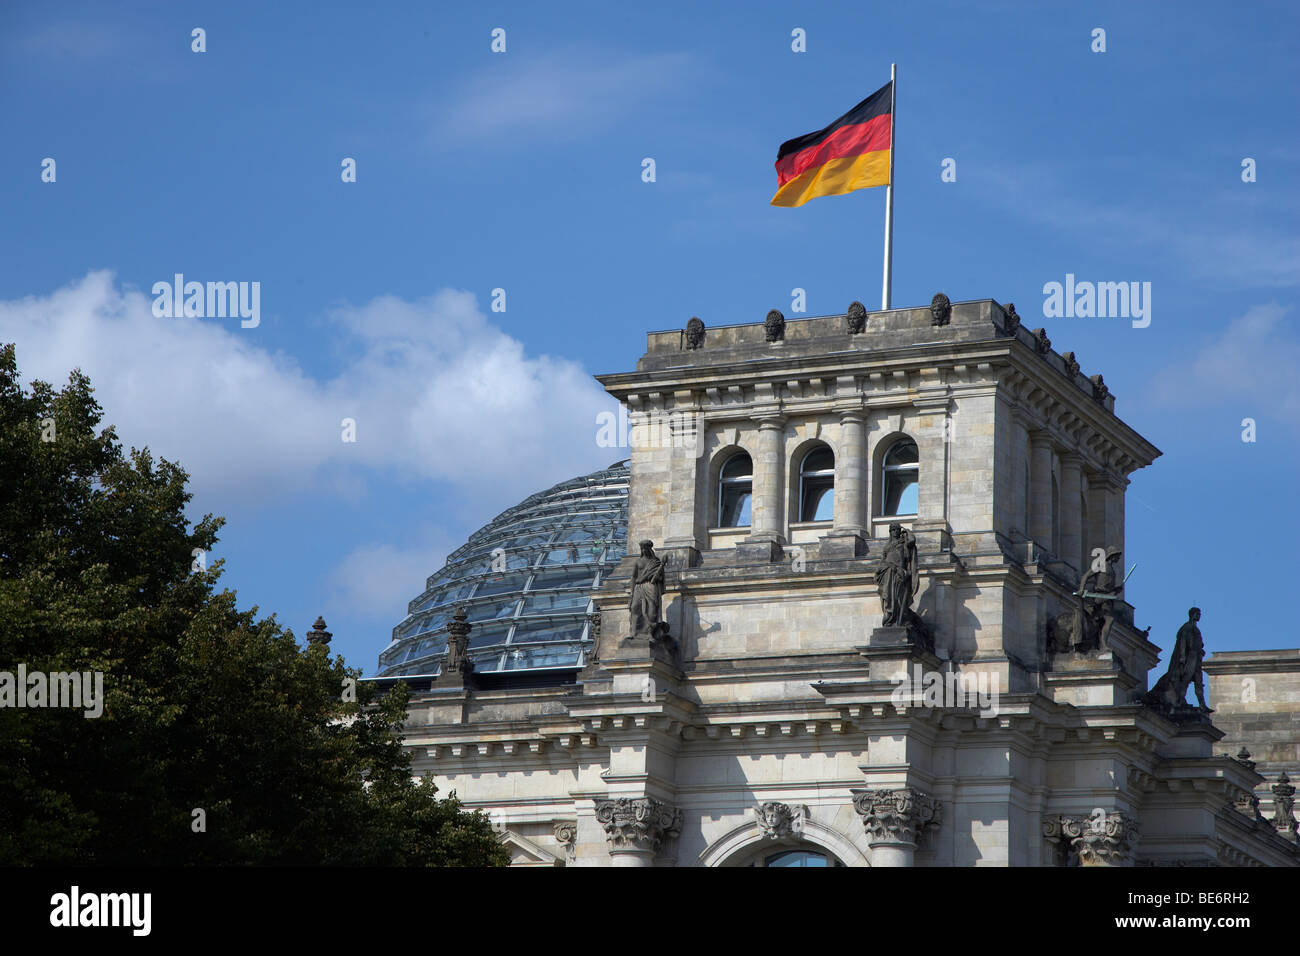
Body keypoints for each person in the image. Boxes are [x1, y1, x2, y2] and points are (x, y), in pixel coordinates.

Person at [875, 523, 918, 627]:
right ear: (890, 532)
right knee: (888, 596)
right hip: (888, 573)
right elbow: (883, 560)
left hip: (899, 573)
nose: (895, 531)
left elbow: (912, 540)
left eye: (897, 529)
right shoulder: (887, 546)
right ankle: (889, 618)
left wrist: (906, 530)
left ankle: (899, 617)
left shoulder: (903, 542)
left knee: (898, 596)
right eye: (893, 530)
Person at [629, 539, 665, 638]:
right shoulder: (638, 562)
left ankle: (650, 633)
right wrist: (631, 593)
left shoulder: (656, 562)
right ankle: (634, 632)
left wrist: (657, 576)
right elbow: (633, 577)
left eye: (646, 549)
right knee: (635, 607)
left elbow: (661, 577)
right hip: (638, 587)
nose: (644, 551)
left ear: (649, 549)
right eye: (642, 549)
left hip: (651, 586)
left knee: (652, 608)